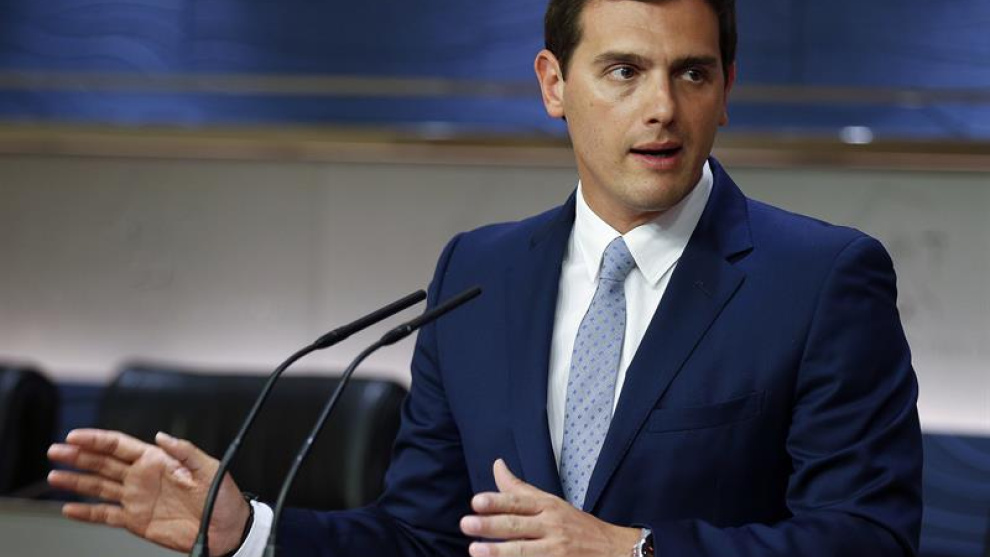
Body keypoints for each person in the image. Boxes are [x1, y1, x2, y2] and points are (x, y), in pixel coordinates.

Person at [47, 0, 923, 555]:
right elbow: (425, 534)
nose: (662, 107)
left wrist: (632, 550)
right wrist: (251, 530)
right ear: (554, 83)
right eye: (624, 70)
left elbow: (869, 536)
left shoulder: (820, 280)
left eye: (691, 73)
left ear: (726, 88)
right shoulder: (480, 271)